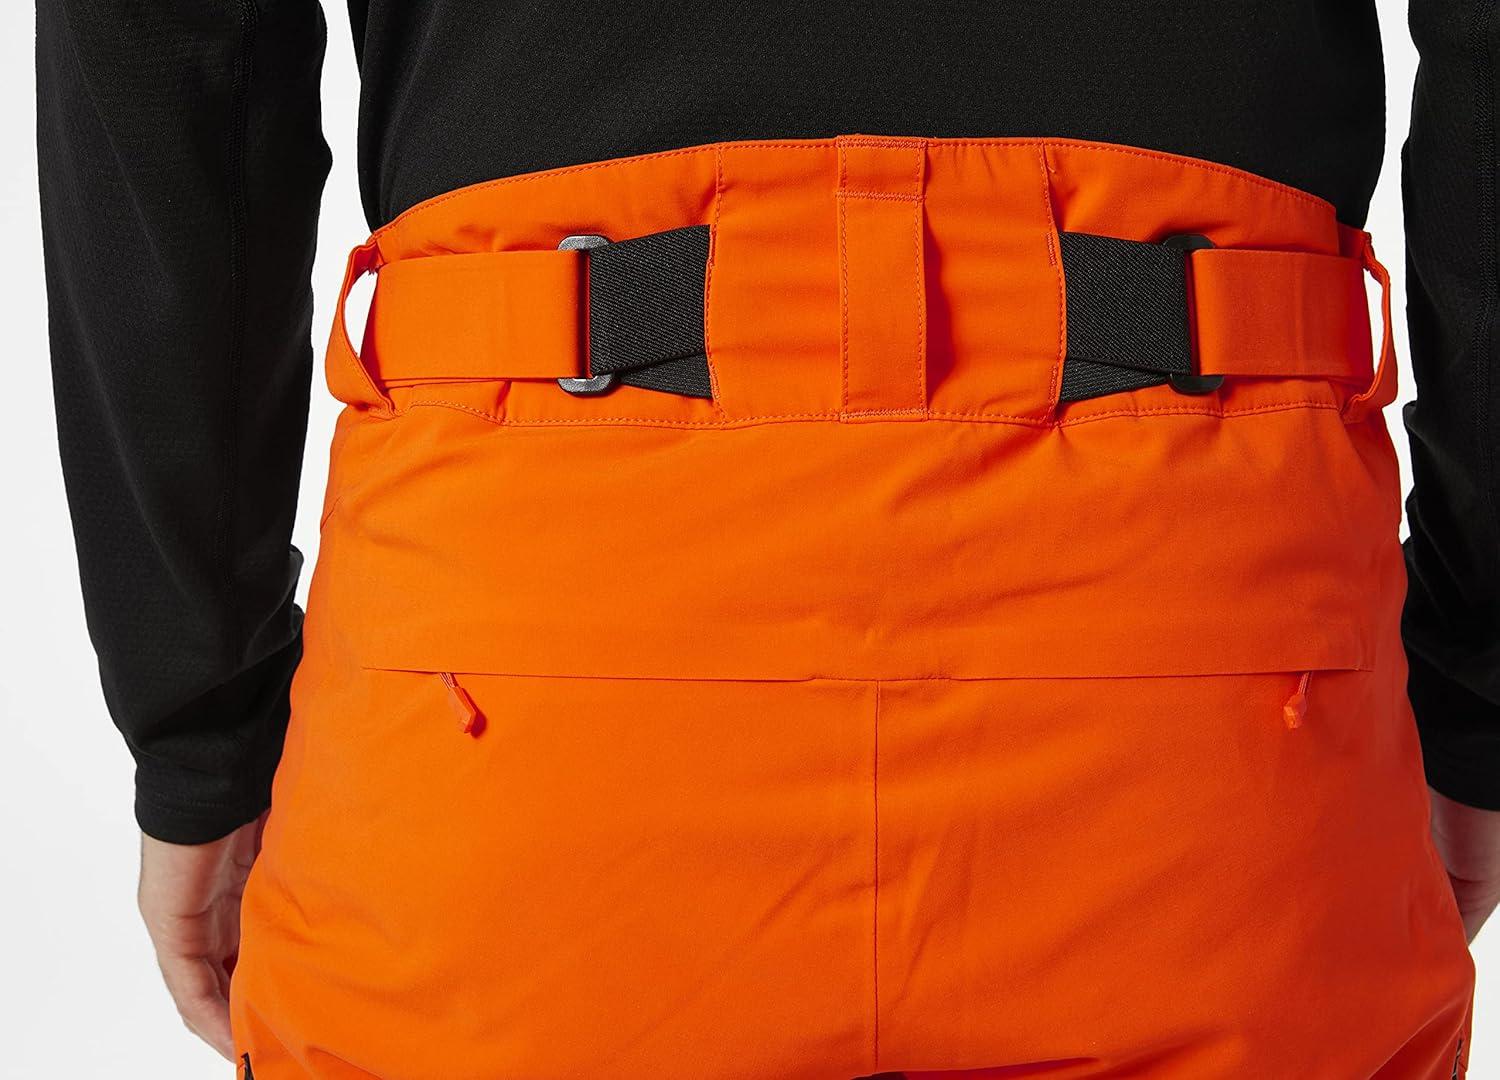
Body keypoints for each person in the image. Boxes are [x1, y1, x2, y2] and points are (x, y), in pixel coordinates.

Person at [34, 2, 1500, 1077]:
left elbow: (167, 43)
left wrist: (203, 717)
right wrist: (1474, 683)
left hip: (527, 658)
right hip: (1206, 651)